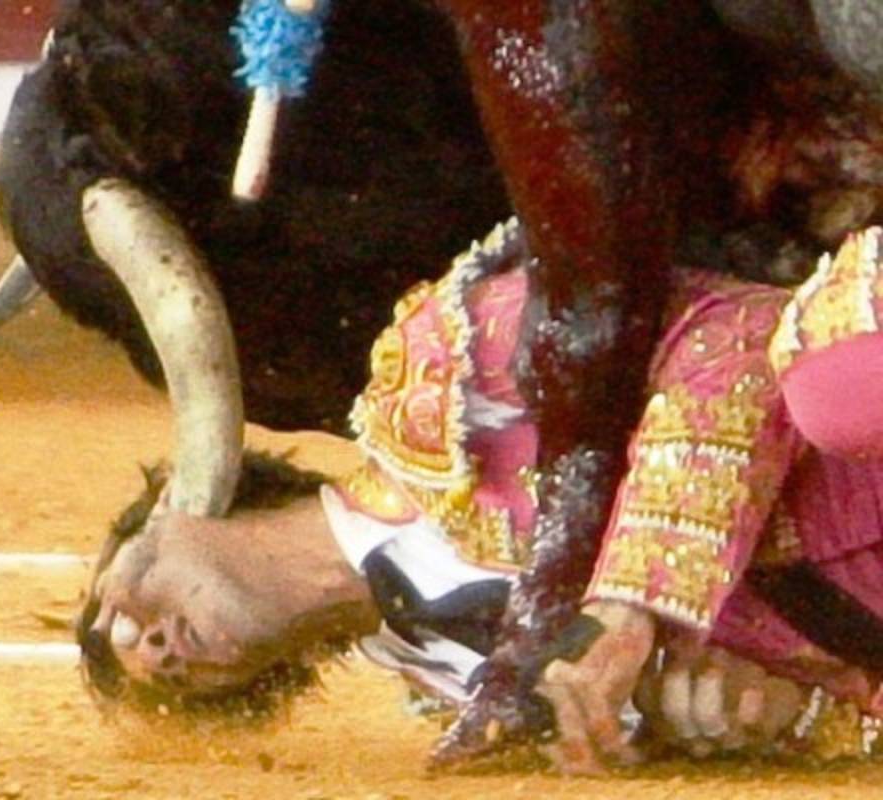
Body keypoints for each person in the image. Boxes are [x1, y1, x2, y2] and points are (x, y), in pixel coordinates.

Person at [83, 222, 883, 771]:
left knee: (833, 390)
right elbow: (825, 716)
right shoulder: (476, 706)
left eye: (113, 604)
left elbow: (737, 339)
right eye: (168, 680)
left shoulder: (436, 376)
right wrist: (779, 714)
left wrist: (634, 600)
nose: (147, 649)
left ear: (175, 502)